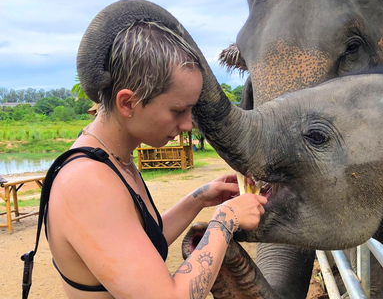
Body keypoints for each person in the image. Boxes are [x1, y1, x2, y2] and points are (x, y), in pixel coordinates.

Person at [45, 19, 267, 298]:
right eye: (178, 111)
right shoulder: (88, 182)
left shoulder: (115, 159)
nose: (188, 125)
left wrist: (199, 199)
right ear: (128, 103)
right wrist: (225, 220)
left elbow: (140, 246)